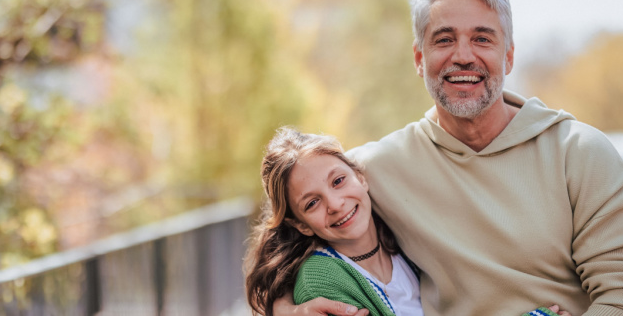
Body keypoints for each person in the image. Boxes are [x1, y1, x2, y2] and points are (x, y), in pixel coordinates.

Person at [273, 0, 623, 316]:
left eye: (482, 38)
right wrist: (285, 309)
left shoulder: (580, 154)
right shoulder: (375, 169)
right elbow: (287, 227)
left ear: (508, 57)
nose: (462, 56)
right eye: (444, 40)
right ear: (419, 58)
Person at [244, 127, 569, 316]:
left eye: (338, 181)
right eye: (312, 203)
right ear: (300, 224)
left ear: (360, 176)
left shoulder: (403, 242)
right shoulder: (321, 280)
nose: (335, 204)